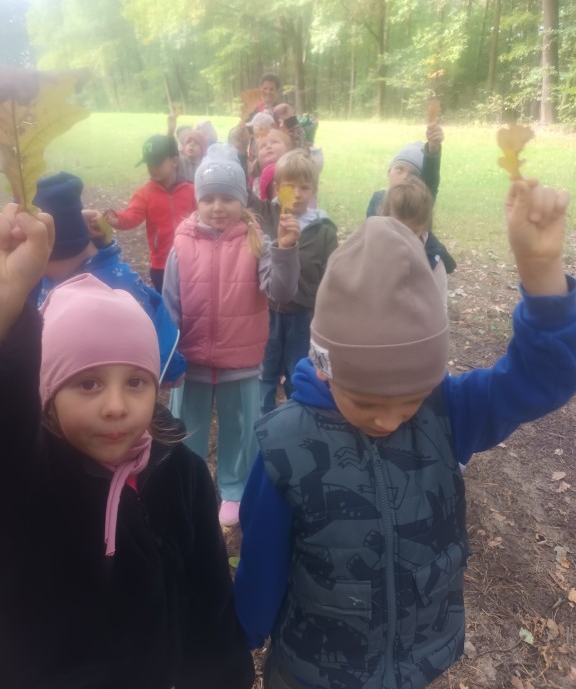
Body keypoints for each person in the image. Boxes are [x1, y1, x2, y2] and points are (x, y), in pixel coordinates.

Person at [235, 179, 576, 689]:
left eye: (411, 400)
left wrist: (542, 272)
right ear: (326, 369)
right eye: (367, 402)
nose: (390, 421)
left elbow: (539, 382)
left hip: (416, 666)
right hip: (312, 671)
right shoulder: (285, 445)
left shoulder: (446, 411)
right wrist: (243, 634)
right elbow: (261, 560)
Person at [0, 204, 255, 689]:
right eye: (88, 384)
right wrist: (9, 307)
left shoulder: (180, 472)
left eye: (136, 382)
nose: (116, 407)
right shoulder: (31, 478)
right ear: (48, 397)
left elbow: (210, 596)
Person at [162, 144, 301, 527]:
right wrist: (167, 357)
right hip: (190, 361)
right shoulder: (181, 243)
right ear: (198, 201)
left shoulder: (257, 242)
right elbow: (170, 302)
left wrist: (286, 250)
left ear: (242, 200)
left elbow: (281, 291)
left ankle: (235, 489)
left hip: (240, 363)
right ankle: (188, 486)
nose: (218, 207)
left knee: (239, 431)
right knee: (185, 428)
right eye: (209, 198)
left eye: (227, 198)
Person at [33, 171, 186, 384]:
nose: (35, 269)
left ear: (60, 252)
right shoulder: (45, 277)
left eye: (42, 263)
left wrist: (170, 369)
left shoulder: (117, 287)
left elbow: (162, 351)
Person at [248, 149, 338, 413]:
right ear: (277, 188)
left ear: (314, 190)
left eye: (304, 187)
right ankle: (261, 422)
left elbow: (331, 277)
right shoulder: (266, 214)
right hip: (267, 314)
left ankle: (295, 420)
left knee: (297, 374)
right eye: (290, 187)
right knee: (264, 374)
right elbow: (239, 195)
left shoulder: (324, 229)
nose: (297, 194)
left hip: (303, 317)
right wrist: (244, 152)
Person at [104, 134, 196, 293]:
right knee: (166, 302)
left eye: (157, 163)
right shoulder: (144, 193)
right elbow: (132, 216)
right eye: (149, 163)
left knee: (192, 300)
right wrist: (117, 218)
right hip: (161, 264)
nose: (152, 168)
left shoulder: (191, 190)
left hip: (191, 259)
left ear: (174, 161)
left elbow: (203, 218)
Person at [366, 123, 456, 276]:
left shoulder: (420, 201)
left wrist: (433, 151)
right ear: (389, 172)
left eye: (414, 174)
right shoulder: (378, 198)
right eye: (399, 169)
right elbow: (369, 235)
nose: (405, 177)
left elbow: (430, 180)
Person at [382, 175, 448, 307]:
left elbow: (440, 310)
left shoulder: (433, 263)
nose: (406, 239)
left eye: (413, 233)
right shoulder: (373, 250)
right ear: (385, 217)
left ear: (424, 226)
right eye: (399, 230)